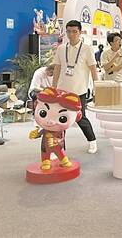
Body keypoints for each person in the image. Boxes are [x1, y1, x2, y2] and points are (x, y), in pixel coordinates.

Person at [52, 20, 99, 154]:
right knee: (60, 119)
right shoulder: (61, 49)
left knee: (80, 118)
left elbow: (93, 70)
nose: (71, 34)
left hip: (79, 91)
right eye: (69, 31)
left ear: (80, 32)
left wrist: (97, 88)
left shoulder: (87, 49)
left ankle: (92, 141)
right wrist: (53, 87)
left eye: (74, 31)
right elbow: (57, 68)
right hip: (62, 91)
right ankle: (60, 148)